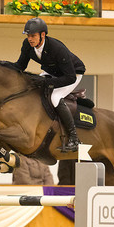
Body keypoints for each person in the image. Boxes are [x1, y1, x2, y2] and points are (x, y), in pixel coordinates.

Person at [14, 17, 86, 152]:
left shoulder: (57, 48)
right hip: (53, 73)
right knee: (31, 89)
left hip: (72, 74)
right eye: (28, 36)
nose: (30, 39)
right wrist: (3, 66)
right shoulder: (27, 45)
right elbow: (20, 66)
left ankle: (74, 138)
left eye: (33, 36)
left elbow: (69, 78)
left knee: (55, 98)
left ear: (42, 35)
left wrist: (47, 83)